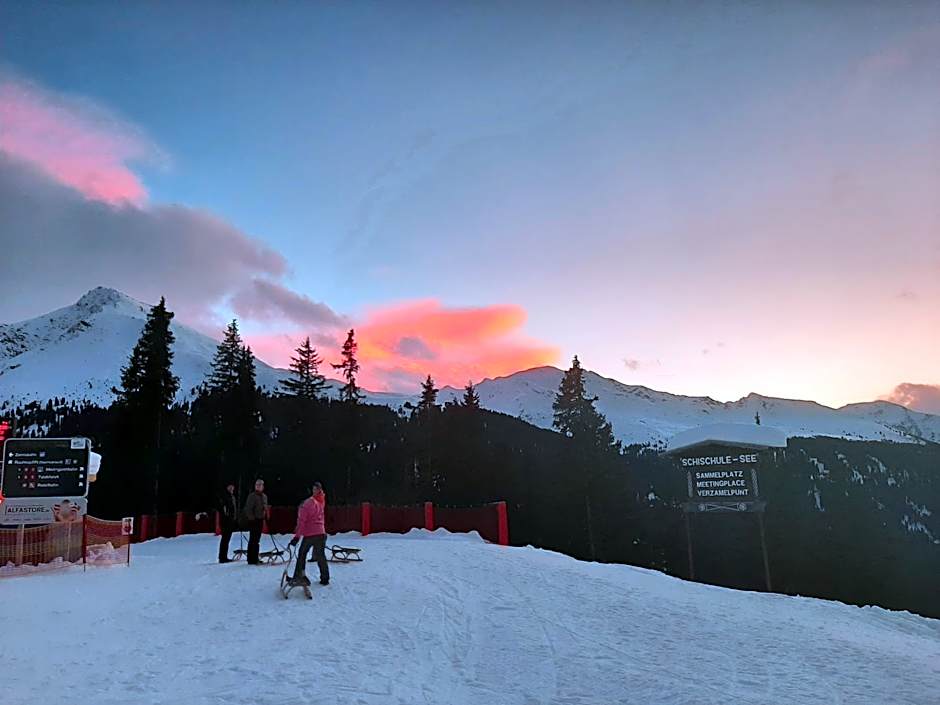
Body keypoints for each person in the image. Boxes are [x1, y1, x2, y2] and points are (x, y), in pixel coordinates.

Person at [288, 482, 329, 586]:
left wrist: (296, 537)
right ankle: (325, 578)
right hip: (321, 533)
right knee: (321, 556)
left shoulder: (306, 505)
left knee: (302, 554)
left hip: (311, 534)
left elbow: (301, 522)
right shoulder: (320, 501)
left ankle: (299, 576)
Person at [243, 478, 268, 565]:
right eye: (257, 485)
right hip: (254, 520)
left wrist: (265, 515)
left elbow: (265, 507)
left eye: (260, 485)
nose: (259, 487)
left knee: (257, 540)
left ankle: (255, 557)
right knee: (253, 540)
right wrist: (251, 518)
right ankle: (251, 559)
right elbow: (248, 509)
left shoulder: (264, 496)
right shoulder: (252, 496)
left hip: (260, 519)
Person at [217, 482, 238, 563]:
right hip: (226, 521)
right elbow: (224, 509)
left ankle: (223, 556)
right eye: (230, 487)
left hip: (230, 521)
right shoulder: (225, 496)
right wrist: (228, 517)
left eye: (232, 486)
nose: (232, 488)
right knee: (225, 539)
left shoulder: (232, 496)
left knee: (226, 539)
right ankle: (222, 557)